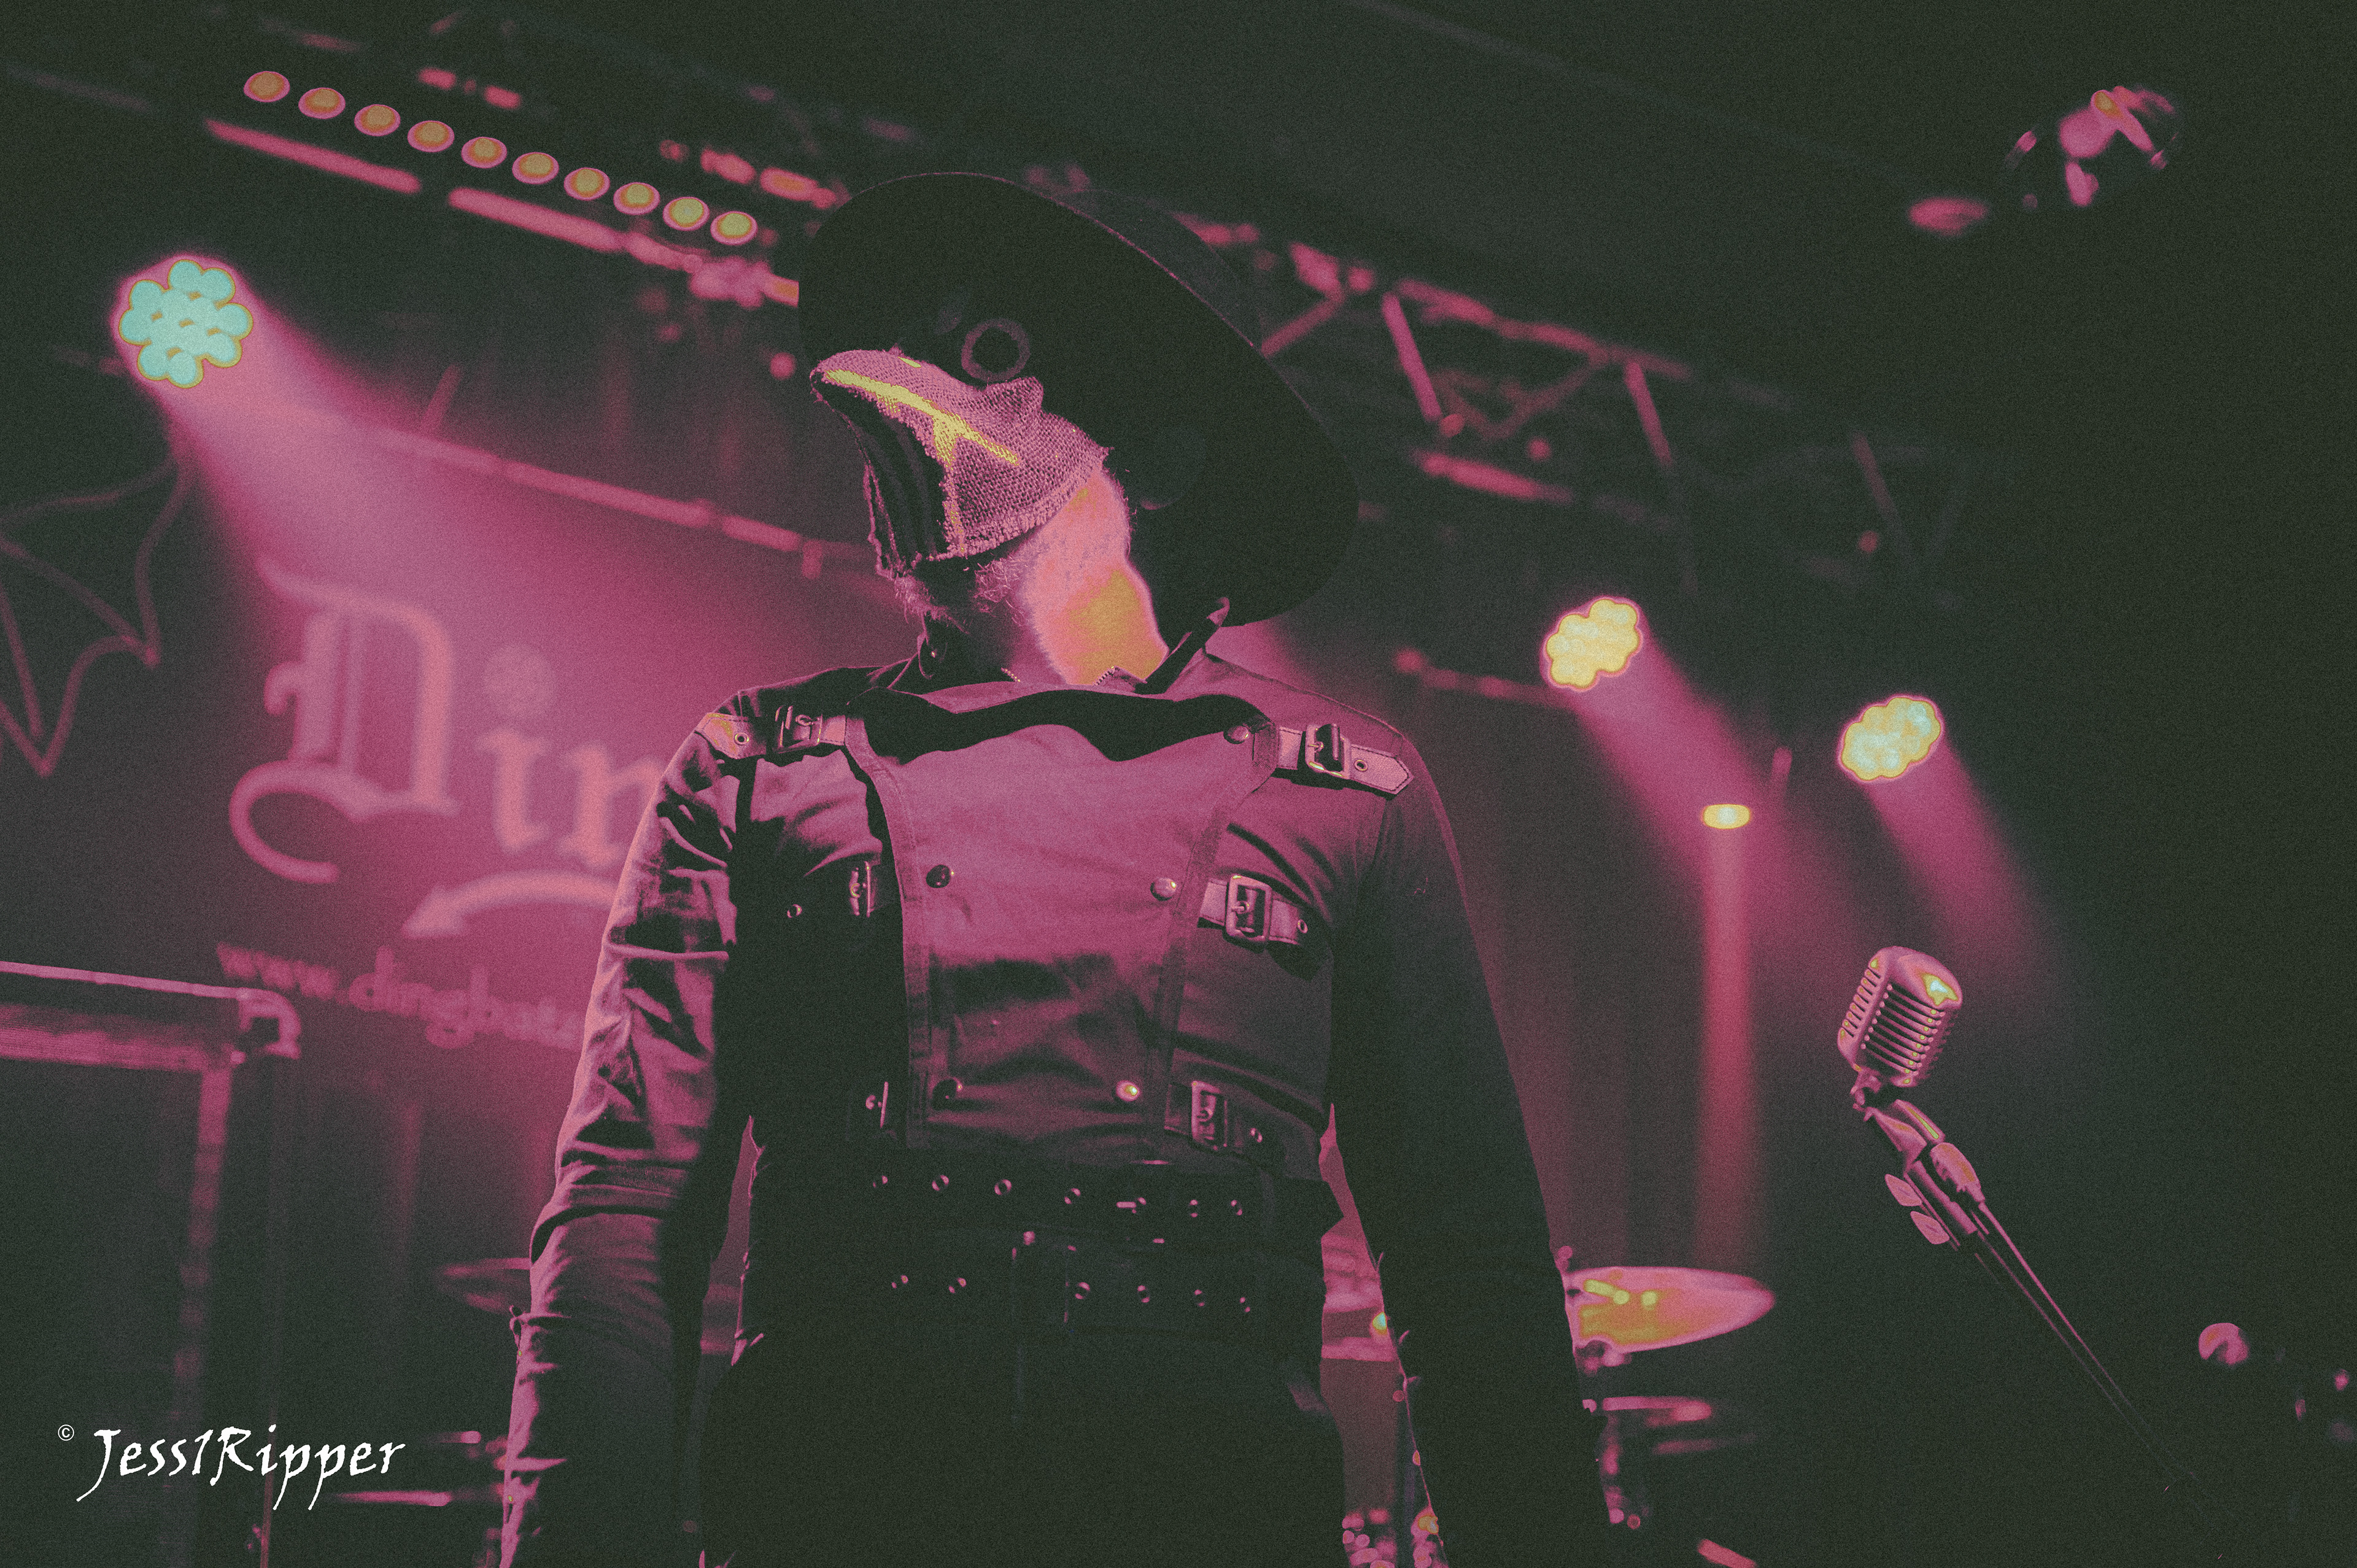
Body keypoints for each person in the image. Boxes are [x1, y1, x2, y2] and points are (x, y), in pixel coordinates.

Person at [498, 172, 1612, 1568]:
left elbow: (1469, 1264)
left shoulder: (1347, 789)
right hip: (834, 1516)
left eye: (992, 356)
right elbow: (622, 1216)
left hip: (1210, 1524)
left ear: (1164, 455)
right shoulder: (758, 764)